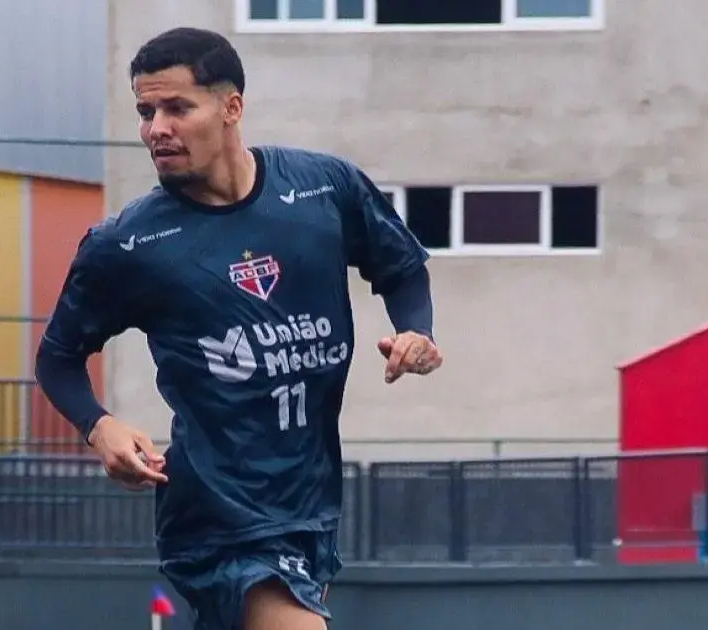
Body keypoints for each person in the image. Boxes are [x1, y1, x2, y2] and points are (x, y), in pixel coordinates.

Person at [35, 26, 443, 630]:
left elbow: (402, 269)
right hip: (219, 514)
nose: (156, 128)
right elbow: (58, 357)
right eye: (146, 111)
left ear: (231, 108)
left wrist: (416, 332)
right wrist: (101, 428)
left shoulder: (323, 188)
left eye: (177, 107)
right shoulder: (129, 243)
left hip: (311, 503)